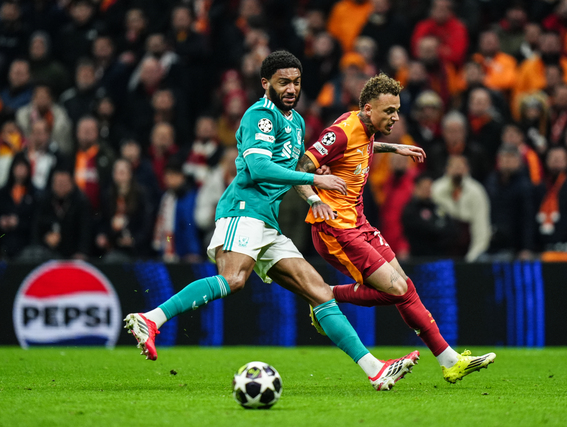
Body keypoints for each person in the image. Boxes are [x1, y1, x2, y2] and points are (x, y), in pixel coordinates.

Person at [124, 51, 419, 391]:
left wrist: (317, 194)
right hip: (244, 209)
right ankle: (151, 319)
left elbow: (298, 166)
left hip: (268, 221)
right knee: (234, 279)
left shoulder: (296, 122)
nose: (291, 89)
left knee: (320, 292)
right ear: (266, 83)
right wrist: (316, 181)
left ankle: (375, 370)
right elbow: (259, 168)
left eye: (296, 82)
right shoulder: (259, 116)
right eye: (283, 82)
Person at [295, 73, 495, 384]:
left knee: (405, 287)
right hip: (335, 229)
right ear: (368, 109)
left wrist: (395, 148)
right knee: (397, 289)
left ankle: (450, 361)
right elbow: (301, 167)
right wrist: (313, 200)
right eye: (389, 111)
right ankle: (325, 294)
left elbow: (362, 146)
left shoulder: (364, 128)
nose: (396, 117)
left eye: (397, 110)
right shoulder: (341, 131)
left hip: (357, 222)